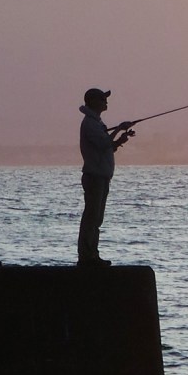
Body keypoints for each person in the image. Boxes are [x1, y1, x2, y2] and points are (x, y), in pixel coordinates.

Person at [77, 87, 134, 265]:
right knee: (92, 218)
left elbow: (105, 146)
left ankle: (92, 254)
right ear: (93, 101)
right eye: (102, 99)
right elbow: (103, 143)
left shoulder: (96, 123)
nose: (106, 101)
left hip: (101, 176)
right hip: (94, 177)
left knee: (96, 218)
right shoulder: (90, 124)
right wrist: (118, 129)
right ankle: (87, 257)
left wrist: (119, 141)